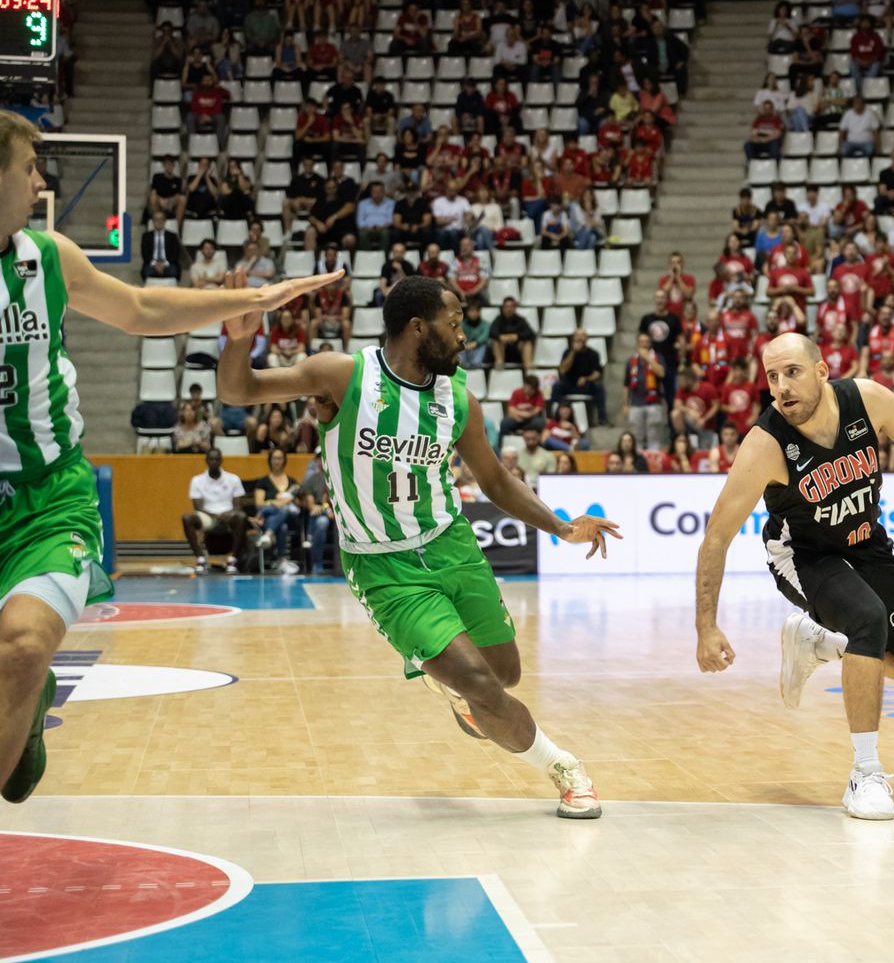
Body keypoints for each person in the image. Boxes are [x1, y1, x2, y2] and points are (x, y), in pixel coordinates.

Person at [0, 109, 342, 805]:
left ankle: (25, 686)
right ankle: (24, 703)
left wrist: (251, 297)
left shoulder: (48, 256)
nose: (41, 184)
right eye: (29, 168)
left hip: (48, 494)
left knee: (24, 644)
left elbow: (140, 309)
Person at [216, 272, 620, 819]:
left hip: (451, 543)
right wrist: (239, 341)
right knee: (479, 683)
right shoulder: (342, 375)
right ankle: (565, 769)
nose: (464, 337)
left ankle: (463, 693)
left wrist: (562, 527)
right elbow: (239, 391)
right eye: (454, 325)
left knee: (503, 675)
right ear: (417, 328)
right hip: (384, 567)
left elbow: (496, 480)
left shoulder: (458, 399)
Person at [694, 334, 894, 820]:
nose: (781, 387)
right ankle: (865, 773)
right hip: (804, 557)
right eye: (772, 377)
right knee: (867, 618)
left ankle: (825, 643)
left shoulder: (867, 399)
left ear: (821, 372)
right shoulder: (765, 444)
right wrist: (706, 626)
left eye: (792, 372)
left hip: (867, 544)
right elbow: (716, 537)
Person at [182, 447, 251, 574]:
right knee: (187, 518)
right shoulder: (197, 480)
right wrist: (216, 515)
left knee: (241, 516)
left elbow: (238, 506)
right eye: (211, 459)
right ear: (206, 461)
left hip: (228, 516)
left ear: (221, 461)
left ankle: (233, 560)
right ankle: (200, 559)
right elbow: (198, 507)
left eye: (217, 459)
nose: (214, 462)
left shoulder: (233, 479)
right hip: (207, 516)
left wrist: (227, 514)